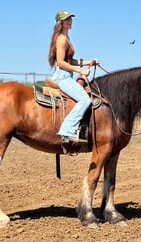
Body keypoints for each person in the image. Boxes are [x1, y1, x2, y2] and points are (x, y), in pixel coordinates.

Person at [48, 9, 99, 144]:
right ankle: (66, 131)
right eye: (67, 19)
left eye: (71, 18)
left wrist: (89, 62)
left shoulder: (67, 38)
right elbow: (60, 62)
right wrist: (80, 71)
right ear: (61, 22)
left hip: (67, 75)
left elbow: (71, 60)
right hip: (62, 77)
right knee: (85, 100)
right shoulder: (61, 39)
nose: (70, 21)